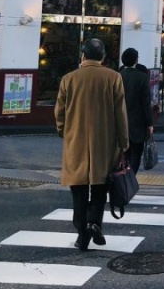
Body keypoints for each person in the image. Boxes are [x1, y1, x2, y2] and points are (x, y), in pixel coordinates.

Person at [55, 38, 129, 252]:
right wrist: (123, 143)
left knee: (78, 192)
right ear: (103, 57)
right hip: (104, 144)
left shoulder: (69, 79)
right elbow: (120, 115)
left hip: (75, 142)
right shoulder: (114, 78)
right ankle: (94, 223)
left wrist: (64, 131)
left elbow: (59, 113)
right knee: (99, 189)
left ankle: (82, 234)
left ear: (83, 56)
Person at [119, 48, 154, 174]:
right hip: (137, 123)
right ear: (136, 60)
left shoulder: (116, 76)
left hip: (119, 123)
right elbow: (146, 103)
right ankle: (130, 179)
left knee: (123, 154)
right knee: (136, 154)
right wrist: (150, 124)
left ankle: (122, 178)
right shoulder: (142, 77)